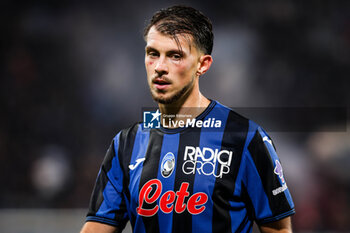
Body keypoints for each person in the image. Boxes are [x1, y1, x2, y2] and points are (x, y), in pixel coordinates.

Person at [80, 5, 295, 233]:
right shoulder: (126, 144)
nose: (160, 67)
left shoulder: (245, 138)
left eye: (175, 56)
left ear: (202, 65)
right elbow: (99, 226)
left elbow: (278, 228)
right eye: (153, 54)